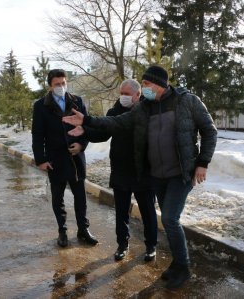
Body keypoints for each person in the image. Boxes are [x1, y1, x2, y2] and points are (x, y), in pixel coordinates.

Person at [62, 65, 217, 289]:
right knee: (168, 219)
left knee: (170, 219)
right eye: (142, 85)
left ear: (159, 84)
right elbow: (117, 122)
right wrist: (86, 121)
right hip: (158, 176)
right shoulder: (145, 107)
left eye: (146, 84)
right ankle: (176, 263)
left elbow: (209, 131)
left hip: (181, 173)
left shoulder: (187, 101)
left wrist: (203, 163)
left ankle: (183, 267)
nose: (143, 89)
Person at [75, 79, 158, 262]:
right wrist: (84, 131)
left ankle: (151, 246)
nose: (123, 97)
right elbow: (102, 134)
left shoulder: (148, 110)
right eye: (121, 93)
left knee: (148, 211)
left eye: (127, 94)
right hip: (121, 170)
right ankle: (122, 244)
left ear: (138, 95)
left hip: (144, 171)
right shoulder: (114, 111)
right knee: (121, 212)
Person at [32, 69, 98, 248]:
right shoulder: (41, 106)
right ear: (50, 86)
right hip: (56, 158)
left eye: (63, 83)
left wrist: (81, 145)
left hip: (76, 158)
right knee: (58, 197)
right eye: (57, 84)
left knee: (80, 196)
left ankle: (83, 230)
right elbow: (37, 134)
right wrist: (41, 159)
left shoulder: (77, 101)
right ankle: (62, 230)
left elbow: (87, 128)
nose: (61, 87)